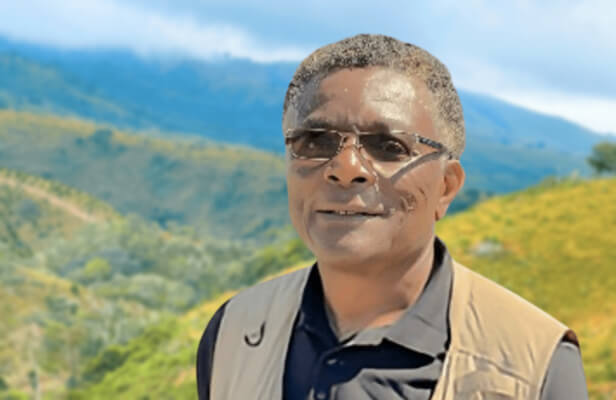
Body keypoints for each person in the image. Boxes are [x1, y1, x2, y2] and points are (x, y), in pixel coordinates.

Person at [196, 34, 587, 400]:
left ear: (446, 187)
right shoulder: (236, 332)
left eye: (389, 146)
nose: (346, 167)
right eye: (315, 141)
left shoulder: (535, 368)